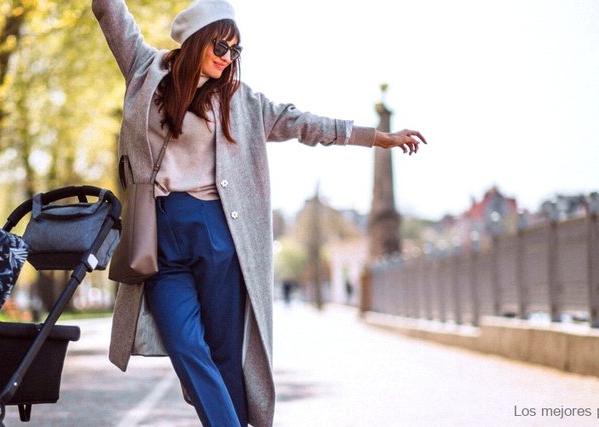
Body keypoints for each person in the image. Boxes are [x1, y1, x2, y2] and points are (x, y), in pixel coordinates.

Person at [93, 1, 426, 425]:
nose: (227, 56)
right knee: (185, 345)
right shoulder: (146, 71)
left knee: (227, 352)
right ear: (198, 37)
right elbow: (110, 13)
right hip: (155, 238)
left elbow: (304, 124)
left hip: (218, 235)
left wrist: (376, 138)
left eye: (235, 50)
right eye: (220, 44)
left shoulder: (241, 102)